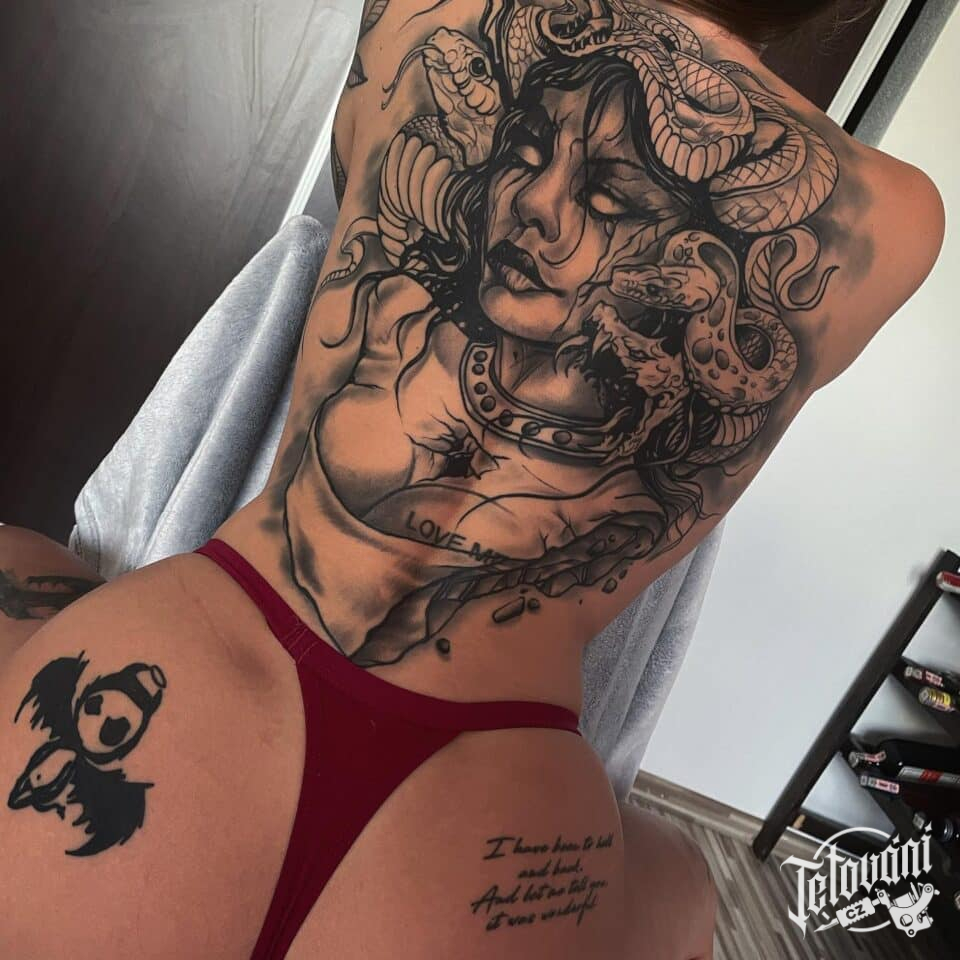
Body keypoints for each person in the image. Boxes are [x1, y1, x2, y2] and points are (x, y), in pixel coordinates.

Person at [0, 1, 943, 957]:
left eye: (610, 201)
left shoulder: (423, 11)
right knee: (688, 886)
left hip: (201, 653)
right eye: (525, 155)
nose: (535, 204)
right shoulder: (893, 215)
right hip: (501, 818)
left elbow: (355, 205)